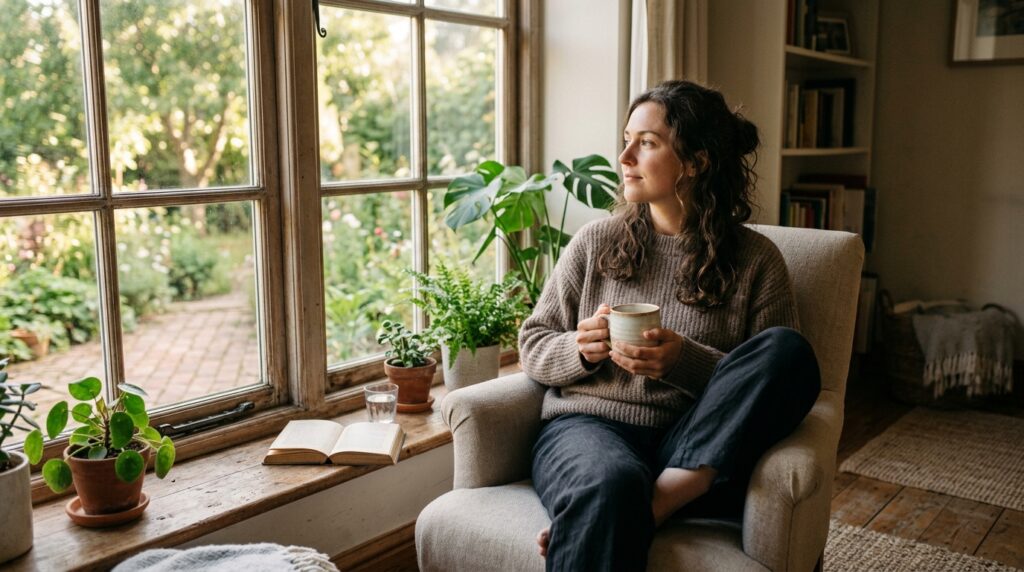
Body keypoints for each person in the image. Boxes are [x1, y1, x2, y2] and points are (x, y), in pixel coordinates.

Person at [518, 80, 822, 572]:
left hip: (696, 444)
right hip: (588, 430)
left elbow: (774, 381)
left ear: (696, 162)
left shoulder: (756, 261)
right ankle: (626, 505)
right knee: (608, 484)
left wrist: (686, 361)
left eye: (647, 142)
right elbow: (533, 342)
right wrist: (579, 347)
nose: (624, 157)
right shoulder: (596, 241)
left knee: (789, 350)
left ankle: (649, 504)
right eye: (626, 139)